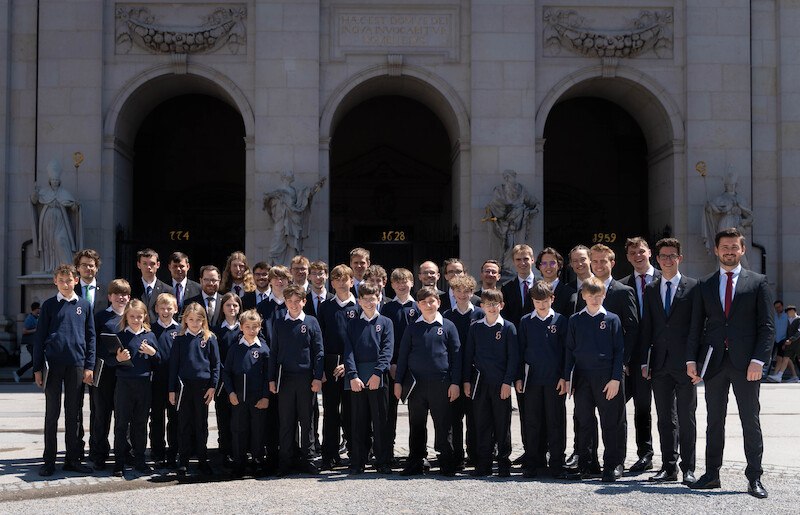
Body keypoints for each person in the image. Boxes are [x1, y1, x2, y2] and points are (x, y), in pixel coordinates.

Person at [687, 227, 774, 498]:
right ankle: (712, 473)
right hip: (714, 364)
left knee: (750, 420)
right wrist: (692, 360)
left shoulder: (758, 282)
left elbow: (767, 327)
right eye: (724, 247)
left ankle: (754, 478)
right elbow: (695, 327)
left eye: (734, 247)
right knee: (714, 421)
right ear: (716, 250)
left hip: (747, 364)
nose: (729, 251)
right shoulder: (705, 285)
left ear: (742, 249)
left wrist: (759, 360)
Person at [638, 237, 698, 485]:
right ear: (657, 259)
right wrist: (644, 362)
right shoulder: (651, 289)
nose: (667, 260)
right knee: (664, 418)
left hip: (685, 364)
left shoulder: (694, 287)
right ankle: (668, 466)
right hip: (659, 365)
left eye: (672, 255)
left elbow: (697, 328)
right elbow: (647, 327)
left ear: (679, 258)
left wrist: (696, 362)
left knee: (686, 417)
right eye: (663, 256)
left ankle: (689, 468)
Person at [33, 263, 96, 476]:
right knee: (52, 414)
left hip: (76, 365)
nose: (66, 284)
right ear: (55, 282)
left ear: (76, 281)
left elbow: (91, 337)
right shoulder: (49, 305)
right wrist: (37, 368)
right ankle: (49, 460)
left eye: (70, 280)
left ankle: (72, 458)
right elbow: (39, 337)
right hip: (53, 365)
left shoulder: (85, 305)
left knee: (74, 414)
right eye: (62, 281)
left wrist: (89, 366)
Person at [394, 286, 462, 477]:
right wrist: (398, 382)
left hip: (442, 384)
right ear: (418, 305)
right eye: (423, 302)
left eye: (432, 301)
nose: (428, 305)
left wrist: (455, 382)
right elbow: (403, 357)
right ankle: (416, 461)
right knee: (416, 424)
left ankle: (446, 462)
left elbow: (457, 356)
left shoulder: (448, 326)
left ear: (438, 303)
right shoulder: (413, 327)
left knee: (443, 425)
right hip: (417, 385)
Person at [564, 276, 625, 482]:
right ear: (583, 296)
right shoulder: (575, 320)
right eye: (590, 296)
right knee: (585, 422)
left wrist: (616, 379)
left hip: (607, 379)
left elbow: (619, 351)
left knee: (610, 423)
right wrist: (567, 379)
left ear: (604, 295)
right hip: (582, 379)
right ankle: (586, 465)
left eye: (598, 295)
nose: (594, 299)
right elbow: (569, 352)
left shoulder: (612, 319)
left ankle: (611, 466)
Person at [589, 244, 639, 474]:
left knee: (614, 418)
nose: (599, 265)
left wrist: (623, 362)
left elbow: (633, 328)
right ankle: (589, 460)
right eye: (595, 261)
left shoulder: (623, 291)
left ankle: (615, 461)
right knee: (585, 417)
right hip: (588, 368)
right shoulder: (585, 290)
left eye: (603, 261)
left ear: (612, 263)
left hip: (613, 366)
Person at [268, 284, 324, 476]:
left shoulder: (311, 322)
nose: (293, 304)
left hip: (306, 378)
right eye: (289, 301)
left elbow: (319, 352)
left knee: (307, 419)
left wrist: (317, 377)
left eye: (297, 301)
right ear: (285, 302)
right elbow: (274, 352)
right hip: (285, 378)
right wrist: (272, 379)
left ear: (304, 302)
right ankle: (286, 460)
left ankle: (307, 458)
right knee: (286, 420)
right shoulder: (279, 323)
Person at [463, 288, 519, 477]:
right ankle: (483, 463)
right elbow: (468, 356)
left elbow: (513, 358)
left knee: (502, 424)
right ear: (482, 306)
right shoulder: (476, 327)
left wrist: (507, 382)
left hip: (500, 383)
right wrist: (466, 381)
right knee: (482, 423)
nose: (492, 307)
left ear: (501, 306)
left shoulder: (508, 327)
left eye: (495, 304)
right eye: (488, 304)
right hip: (480, 383)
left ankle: (503, 463)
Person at [516, 281, 569, 478]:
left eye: (545, 300)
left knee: (555, 421)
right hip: (532, 381)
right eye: (537, 301)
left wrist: (565, 377)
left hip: (555, 380)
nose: (541, 305)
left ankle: (557, 463)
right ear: (533, 301)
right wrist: (519, 377)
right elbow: (519, 352)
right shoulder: (525, 322)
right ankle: (534, 462)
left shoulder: (561, 321)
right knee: (532, 421)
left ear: (552, 299)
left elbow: (566, 352)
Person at [343, 283, 395, 474]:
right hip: (357, 380)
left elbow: (387, 351)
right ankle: (358, 461)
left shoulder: (386, 322)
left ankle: (382, 461)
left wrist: (378, 373)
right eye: (365, 299)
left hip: (377, 379)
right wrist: (353, 376)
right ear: (359, 301)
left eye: (372, 298)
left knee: (381, 421)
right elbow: (348, 352)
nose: (369, 302)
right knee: (358, 421)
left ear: (379, 298)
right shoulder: (353, 323)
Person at [618, 237, 659, 473]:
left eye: (641, 251)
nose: (638, 255)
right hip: (634, 355)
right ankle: (645, 454)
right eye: (633, 252)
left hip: (662, 353)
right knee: (641, 407)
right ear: (628, 257)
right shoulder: (622, 285)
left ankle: (674, 458)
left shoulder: (664, 279)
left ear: (649, 252)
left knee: (666, 410)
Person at [169, 302, 220, 477]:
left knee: (201, 424)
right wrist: (171, 390)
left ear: (203, 320)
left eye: (199, 320)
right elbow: (173, 366)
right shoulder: (180, 338)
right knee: (184, 424)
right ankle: (183, 461)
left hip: (203, 387)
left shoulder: (209, 338)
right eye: (191, 319)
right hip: (184, 387)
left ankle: (202, 460)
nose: (195, 323)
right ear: (185, 320)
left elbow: (216, 365)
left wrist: (213, 386)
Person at [316, 264, 358, 469]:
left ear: (352, 281)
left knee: (352, 411)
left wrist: (350, 366)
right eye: (337, 279)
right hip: (330, 363)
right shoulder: (325, 307)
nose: (342, 282)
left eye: (345, 278)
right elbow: (319, 340)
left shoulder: (359, 306)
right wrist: (321, 369)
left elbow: (362, 341)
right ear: (331, 283)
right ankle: (329, 455)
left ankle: (355, 453)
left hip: (353, 365)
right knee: (331, 411)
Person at [112, 299, 160, 478]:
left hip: (143, 384)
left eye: (139, 316)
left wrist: (153, 353)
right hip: (124, 384)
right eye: (132, 316)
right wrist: (118, 359)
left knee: (140, 423)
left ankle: (140, 459)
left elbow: (160, 362)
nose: (135, 319)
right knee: (121, 424)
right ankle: (119, 462)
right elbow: (110, 361)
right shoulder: (120, 336)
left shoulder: (150, 336)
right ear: (126, 316)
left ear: (144, 317)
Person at [443, 274, 484, 469]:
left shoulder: (480, 314)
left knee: (474, 417)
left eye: (466, 291)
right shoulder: (446, 316)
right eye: (458, 290)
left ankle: (475, 456)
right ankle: (456, 457)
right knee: (454, 418)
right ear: (452, 292)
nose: (462, 294)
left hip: (475, 373)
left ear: (472, 292)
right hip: (453, 372)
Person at [222, 309, 270, 478]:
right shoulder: (235, 349)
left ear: (259, 328)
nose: (251, 330)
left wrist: (266, 396)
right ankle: (239, 463)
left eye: (255, 327)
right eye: (247, 326)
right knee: (238, 430)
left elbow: (268, 376)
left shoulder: (264, 350)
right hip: (238, 399)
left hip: (257, 399)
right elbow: (226, 372)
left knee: (258, 431)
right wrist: (231, 393)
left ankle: (258, 461)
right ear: (241, 327)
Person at [88, 279, 130, 470]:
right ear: (109, 297)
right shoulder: (100, 317)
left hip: (126, 374)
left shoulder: (133, 316)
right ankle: (99, 453)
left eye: (125, 294)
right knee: (101, 414)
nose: (121, 297)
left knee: (124, 416)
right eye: (117, 294)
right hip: (104, 372)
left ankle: (124, 451)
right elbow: (92, 345)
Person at [381, 267, 419, 463]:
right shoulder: (387, 308)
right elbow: (385, 340)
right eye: (397, 282)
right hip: (392, 367)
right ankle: (387, 453)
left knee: (417, 413)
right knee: (389, 414)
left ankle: (417, 454)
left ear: (412, 283)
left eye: (405, 281)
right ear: (392, 285)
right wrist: (392, 363)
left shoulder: (419, 307)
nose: (401, 285)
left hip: (415, 368)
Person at [30, 159, 82, 273]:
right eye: (53, 180)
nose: (54, 182)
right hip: (46, 221)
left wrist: (75, 206)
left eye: (56, 180)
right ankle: (50, 267)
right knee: (49, 243)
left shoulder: (64, 193)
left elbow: (72, 206)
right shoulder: (44, 192)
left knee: (61, 240)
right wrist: (35, 193)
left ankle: (67, 268)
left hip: (60, 221)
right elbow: (34, 201)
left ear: (59, 181)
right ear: (50, 180)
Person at [263, 170, 325, 265]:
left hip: (293, 221)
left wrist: (316, 188)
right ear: (283, 176)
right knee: (277, 243)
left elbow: (304, 198)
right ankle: (271, 267)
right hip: (281, 221)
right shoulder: (277, 193)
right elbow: (269, 206)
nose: (291, 174)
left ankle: (290, 267)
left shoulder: (294, 191)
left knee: (293, 245)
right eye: (289, 173)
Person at [483, 169, 539, 271]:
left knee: (517, 246)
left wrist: (533, 209)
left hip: (518, 226)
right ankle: (505, 266)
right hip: (503, 225)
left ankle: (512, 267)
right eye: (507, 177)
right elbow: (494, 205)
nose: (509, 179)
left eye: (511, 177)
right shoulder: (499, 190)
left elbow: (533, 202)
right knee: (506, 245)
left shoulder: (521, 190)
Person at [212, 292, 243, 468]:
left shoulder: (244, 329)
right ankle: (224, 451)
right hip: (223, 382)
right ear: (222, 308)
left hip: (240, 382)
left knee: (238, 419)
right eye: (228, 305)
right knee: (223, 417)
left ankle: (239, 452)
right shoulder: (216, 331)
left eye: (235, 305)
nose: (232, 308)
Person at [150, 293, 180, 469]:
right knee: (156, 417)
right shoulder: (151, 329)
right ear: (156, 309)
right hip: (157, 381)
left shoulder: (181, 330)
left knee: (175, 417)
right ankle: (157, 451)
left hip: (175, 382)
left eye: (169, 308)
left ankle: (173, 451)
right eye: (162, 308)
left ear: (175, 309)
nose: (166, 311)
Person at [131, 249, 174, 322]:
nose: (148, 267)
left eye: (152, 264)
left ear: (158, 265)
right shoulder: (131, 288)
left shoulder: (168, 290)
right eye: (145, 263)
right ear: (138, 265)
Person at [536, 247, 576, 317]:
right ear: (540, 266)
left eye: (552, 263)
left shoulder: (570, 293)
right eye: (544, 263)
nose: (548, 267)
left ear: (559, 265)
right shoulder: (532, 292)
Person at [167, 252, 201, 316]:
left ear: (188, 266)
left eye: (181, 266)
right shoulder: (163, 287)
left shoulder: (198, 289)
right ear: (169, 267)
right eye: (175, 266)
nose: (178, 269)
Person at [13, 302, 40, 382]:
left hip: (34, 343)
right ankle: (19, 373)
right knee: (35, 360)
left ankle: (32, 378)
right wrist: (35, 330)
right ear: (36, 309)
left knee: (35, 360)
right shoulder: (30, 318)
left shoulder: (36, 318)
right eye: (39, 308)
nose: (40, 310)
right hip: (30, 343)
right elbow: (24, 331)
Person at [73, 249, 107, 313]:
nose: (88, 268)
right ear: (78, 268)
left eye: (91, 265)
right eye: (84, 265)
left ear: (96, 268)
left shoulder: (105, 291)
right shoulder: (72, 290)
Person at [766, 300, 792, 382]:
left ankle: (777, 375)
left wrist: (788, 339)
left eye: (779, 307)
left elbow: (790, 329)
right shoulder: (774, 316)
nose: (777, 308)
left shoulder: (787, 316)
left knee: (781, 357)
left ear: (782, 306)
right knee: (769, 357)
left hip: (783, 340)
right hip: (774, 339)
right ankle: (769, 374)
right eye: (776, 307)